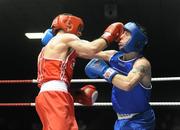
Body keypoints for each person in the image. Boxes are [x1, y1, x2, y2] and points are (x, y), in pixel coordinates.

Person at [35, 13, 124, 130]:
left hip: (48, 96)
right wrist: (109, 35)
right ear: (69, 25)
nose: (80, 33)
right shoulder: (65, 37)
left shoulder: (47, 49)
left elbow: (96, 54)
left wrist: (74, 95)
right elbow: (93, 48)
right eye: (79, 29)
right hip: (55, 96)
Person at [85, 22, 156, 130]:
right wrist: (62, 42)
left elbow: (127, 84)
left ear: (136, 39)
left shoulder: (142, 64)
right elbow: (86, 52)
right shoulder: (114, 56)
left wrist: (104, 70)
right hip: (120, 121)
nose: (121, 37)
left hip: (139, 121)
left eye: (126, 34)